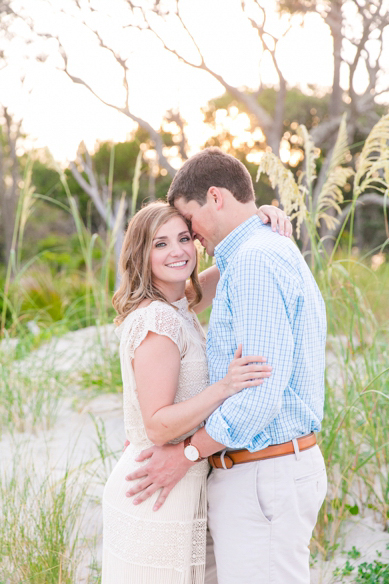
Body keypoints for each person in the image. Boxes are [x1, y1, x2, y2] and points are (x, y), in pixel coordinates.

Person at [125, 148, 328, 584]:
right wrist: (261, 217)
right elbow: (179, 297)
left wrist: (190, 452)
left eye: (188, 226)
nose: (191, 240)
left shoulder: (254, 260)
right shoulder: (251, 256)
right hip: (255, 474)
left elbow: (258, 397)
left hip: (261, 474)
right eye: (163, 241)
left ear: (215, 197)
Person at [102, 200, 290, 583]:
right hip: (155, 489)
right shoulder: (157, 318)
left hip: (176, 483)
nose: (177, 251)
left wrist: (257, 219)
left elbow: (234, 264)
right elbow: (157, 426)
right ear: (141, 254)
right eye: (161, 244)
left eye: (184, 238)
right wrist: (224, 387)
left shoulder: (178, 304)